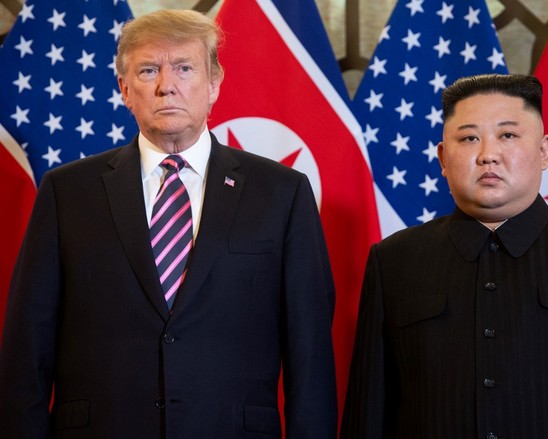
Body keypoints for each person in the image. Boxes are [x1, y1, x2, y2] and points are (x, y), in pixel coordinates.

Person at [0, 9, 337, 438]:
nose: (166, 86)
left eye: (184, 68)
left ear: (214, 84)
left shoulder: (282, 194)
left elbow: (310, 356)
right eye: (148, 70)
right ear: (124, 89)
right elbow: (26, 351)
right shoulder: (66, 193)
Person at [340, 73, 548, 438]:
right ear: (442, 157)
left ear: (544, 151)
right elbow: (367, 415)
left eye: (508, 135)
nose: (488, 154)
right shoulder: (393, 260)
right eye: (469, 138)